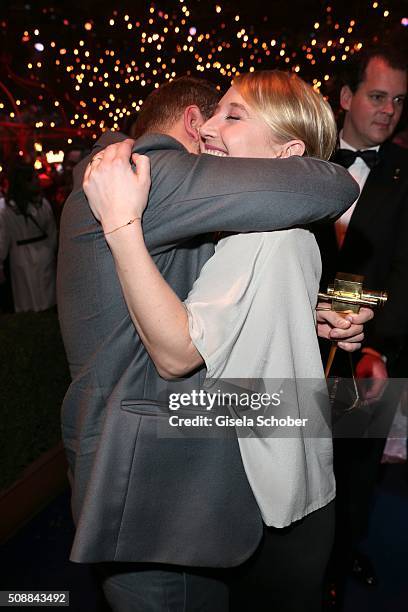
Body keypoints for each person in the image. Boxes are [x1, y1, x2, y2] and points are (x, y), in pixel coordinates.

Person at [58, 75, 362, 612]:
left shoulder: (259, 230)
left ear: (290, 153)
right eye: (214, 114)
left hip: (258, 493)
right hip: (236, 486)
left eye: (234, 116)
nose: (211, 130)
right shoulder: (153, 181)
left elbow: (185, 348)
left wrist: (309, 312)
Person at [315, 46, 408, 600]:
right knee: (297, 455)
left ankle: (339, 564)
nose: (389, 110)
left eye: (399, 100)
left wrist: (379, 347)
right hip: (297, 345)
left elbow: (406, 270)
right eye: (378, 96)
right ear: (347, 97)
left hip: (373, 352)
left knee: (357, 471)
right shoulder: (303, 158)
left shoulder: (405, 172)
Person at [0, 163, 57, 312]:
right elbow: (52, 234)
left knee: (26, 300)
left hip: (19, 256)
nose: (38, 180)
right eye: (34, 178)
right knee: (47, 299)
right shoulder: (42, 204)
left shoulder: (5, 207)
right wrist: (50, 251)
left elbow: (3, 239)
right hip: (44, 253)